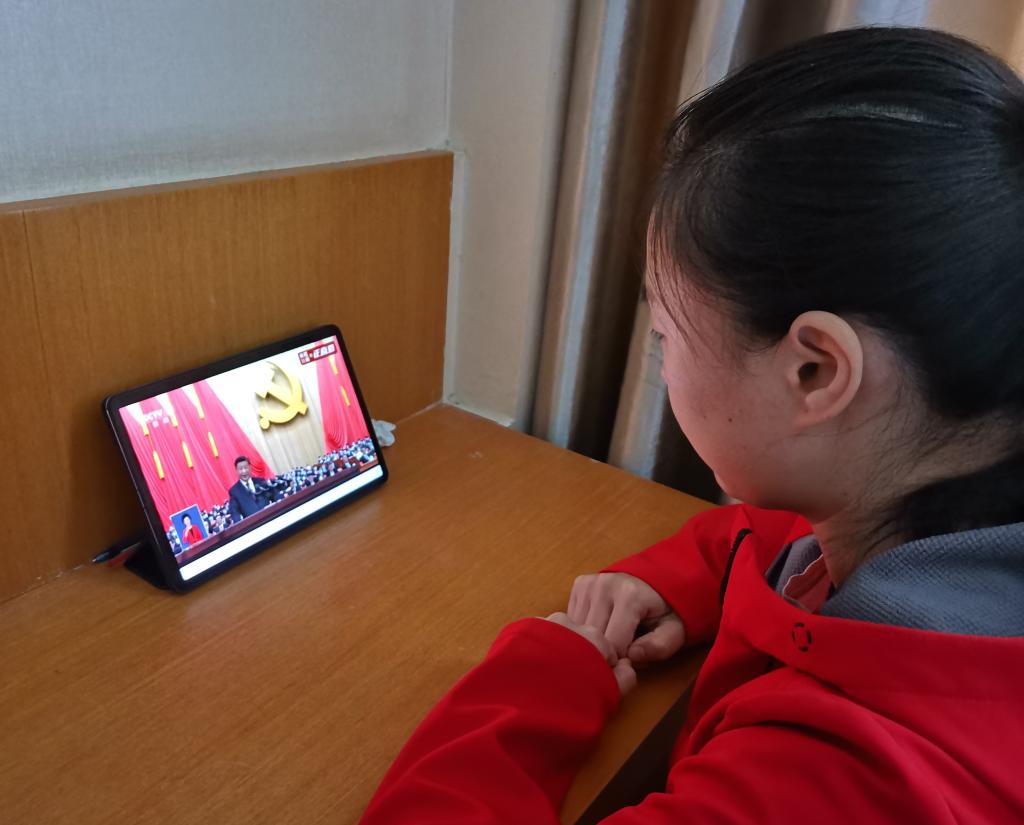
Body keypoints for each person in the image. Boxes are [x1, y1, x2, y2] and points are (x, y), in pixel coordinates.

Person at [361, 27, 1024, 823]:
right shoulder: (945, 509)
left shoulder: (843, 776)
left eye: (665, 338)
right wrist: (670, 581)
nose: (663, 364)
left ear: (815, 371)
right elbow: (772, 535)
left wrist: (542, 676)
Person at [227, 456, 274, 523]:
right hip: (253, 525)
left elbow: (273, 496)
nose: (244, 471)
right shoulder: (234, 491)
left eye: (246, 467)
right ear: (236, 471)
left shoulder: (260, 482)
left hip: (270, 519)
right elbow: (235, 513)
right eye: (240, 469)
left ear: (250, 467)